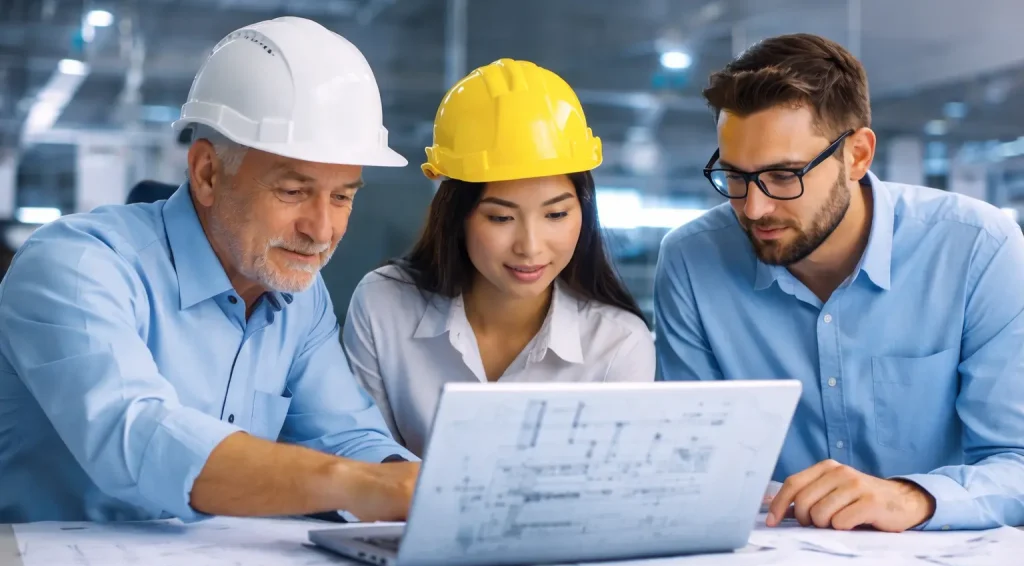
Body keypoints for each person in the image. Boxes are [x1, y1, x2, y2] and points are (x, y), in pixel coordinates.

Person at [0, 17, 420, 524]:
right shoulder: (76, 266)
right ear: (207, 174)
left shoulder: (298, 298)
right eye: (293, 191)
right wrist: (356, 485)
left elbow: (348, 437)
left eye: (342, 197)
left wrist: (434, 492)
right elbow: (139, 435)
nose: (321, 230)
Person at [654, 33, 1024, 532]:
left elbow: (1016, 462)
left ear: (857, 155)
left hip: (936, 564)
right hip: (771, 559)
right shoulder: (691, 261)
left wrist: (910, 497)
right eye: (735, 177)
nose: (754, 208)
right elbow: (692, 460)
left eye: (784, 176)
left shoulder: (978, 247)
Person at [342, 58, 654, 457]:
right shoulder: (384, 306)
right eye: (501, 218)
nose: (530, 246)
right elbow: (360, 457)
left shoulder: (618, 345)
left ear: (584, 211)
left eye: (556, 215)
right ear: (456, 217)